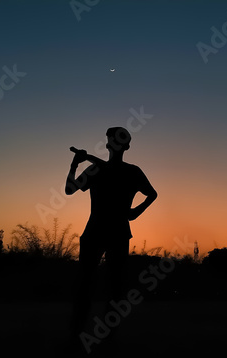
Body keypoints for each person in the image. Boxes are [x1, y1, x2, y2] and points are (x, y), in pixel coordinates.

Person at [65, 127, 157, 351]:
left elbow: (151, 193)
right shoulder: (103, 169)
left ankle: (102, 338)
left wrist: (81, 161)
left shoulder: (122, 170)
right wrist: (76, 164)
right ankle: (81, 336)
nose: (113, 145)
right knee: (88, 286)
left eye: (116, 141)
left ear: (122, 146)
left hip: (111, 233)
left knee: (111, 287)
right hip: (99, 233)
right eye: (112, 141)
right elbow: (69, 189)